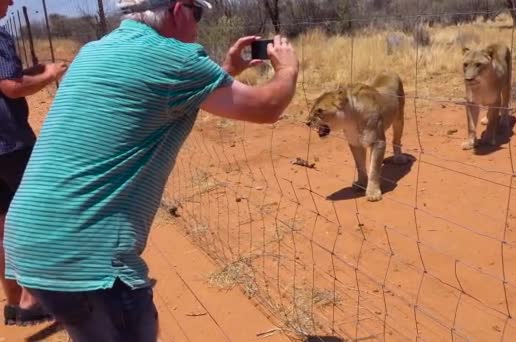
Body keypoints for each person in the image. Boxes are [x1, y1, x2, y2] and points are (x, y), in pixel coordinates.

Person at [3, 0, 298, 340]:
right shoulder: (177, 60)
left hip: (30, 239)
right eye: (196, 13)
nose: (198, 23)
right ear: (176, 10)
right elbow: (267, 107)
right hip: (85, 255)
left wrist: (225, 71)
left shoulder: (92, 52)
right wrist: (287, 68)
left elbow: (165, 95)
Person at [0, 0, 68, 326]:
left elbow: (7, 79)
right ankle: (35, 299)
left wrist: (31, 72)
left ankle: (14, 302)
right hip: (10, 143)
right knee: (43, 215)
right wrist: (50, 76)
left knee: (3, 222)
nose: (12, 2)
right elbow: (11, 88)